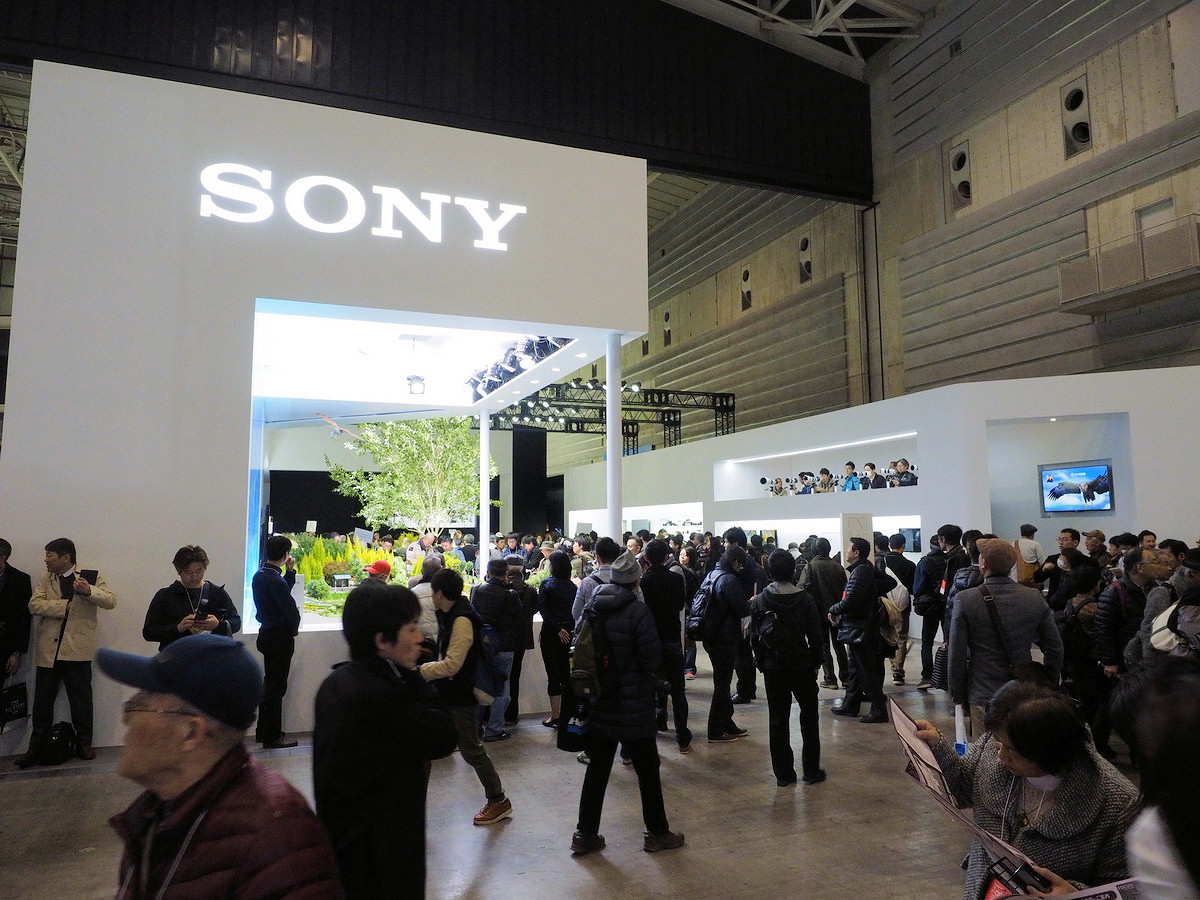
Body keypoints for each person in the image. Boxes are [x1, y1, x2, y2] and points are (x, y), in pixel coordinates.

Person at [98, 634, 342, 898]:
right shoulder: (156, 814)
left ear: (190, 733)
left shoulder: (277, 840)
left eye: (138, 705)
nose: (126, 720)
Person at [915, 680, 1139, 899]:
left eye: (1011, 750)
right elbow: (963, 787)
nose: (1001, 755)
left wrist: (1075, 895)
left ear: (1047, 751)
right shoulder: (999, 741)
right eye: (997, 742)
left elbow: (1125, 888)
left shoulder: (1117, 803)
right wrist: (936, 749)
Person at [314, 580, 458, 899]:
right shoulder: (383, 697)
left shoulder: (337, 683)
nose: (420, 638)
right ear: (381, 640)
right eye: (411, 629)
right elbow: (444, 735)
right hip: (383, 862)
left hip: (347, 853)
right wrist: (415, 675)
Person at [571, 552, 684, 856]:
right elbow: (651, 658)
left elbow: (578, 644)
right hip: (634, 704)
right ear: (636, 581)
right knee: (648, 771)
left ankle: (585, 834)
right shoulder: (638, 612)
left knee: (597, 769)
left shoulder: (593, 608)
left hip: (600, 701)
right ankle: (657, 832)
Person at [419, 568, 513, 826]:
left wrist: (421, 671)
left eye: (433, 591)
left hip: (460, 697)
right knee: (427, 746)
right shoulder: (451, 614)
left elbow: (452, 665)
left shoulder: (461, 620)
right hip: (447, 693)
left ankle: (498, 799)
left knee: (471, 750)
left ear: (439, 593)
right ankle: (415, 806)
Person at [948, 539, 1063, 735]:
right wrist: (1049, 680)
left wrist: (957, 694)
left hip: (983, 691)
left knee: (986, 751)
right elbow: (1055, 646)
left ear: (983, 564)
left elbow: (956, 653)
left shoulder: (966, 599)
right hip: (1024, 693)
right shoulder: (1033, 597)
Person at [18, 537, 117, 767]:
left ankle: (84, 744)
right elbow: (34, 605)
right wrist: (64, 606)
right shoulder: (47, 578)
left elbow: (110, 601)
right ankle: (35, 748)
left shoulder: (90, 576)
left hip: (77, 650)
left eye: (49, 555)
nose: (45, 560)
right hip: (48, 650)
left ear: (65, 557)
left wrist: (88, 590)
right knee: (42, 703)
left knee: (81, 701)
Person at [749, 550, 825, 786]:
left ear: (769, 572)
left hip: (774, 667)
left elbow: (754, 637)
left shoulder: (760, 600)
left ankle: (783, 774)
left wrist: (761, 662)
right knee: (809, 718)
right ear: (793, 571)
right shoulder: (805, 599)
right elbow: (816, 636)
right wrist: (815, 663)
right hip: (802, 666)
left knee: (777, 720)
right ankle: (811, 771)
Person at [828, 537, 889, 724]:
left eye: (849, 548)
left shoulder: (860, 572)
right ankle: (850, 705)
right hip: (861, 628)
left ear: (856, 553)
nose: (846, 551)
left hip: (861, 629)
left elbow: (851, 600)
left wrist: (833, 609)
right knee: (855, 669)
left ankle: (879, 710)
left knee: (866, 672)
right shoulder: (863, 569)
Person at [640, 539, 691, 753]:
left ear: (646, 557)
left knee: (651, 688)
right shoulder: (676, 579)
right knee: (678, 691)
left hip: (651, 640)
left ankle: (654, 728)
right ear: (666, 557)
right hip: (672, 638)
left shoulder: (643, 581)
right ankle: (682, 737)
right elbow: (680, 605)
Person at [251, 534, 301, 749]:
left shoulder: (261, 575)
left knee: (270, 684)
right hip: (279, 637)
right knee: (276, 687)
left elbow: (279, 595)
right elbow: (289, 610)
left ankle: (264, 731)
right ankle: (272, 736)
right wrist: (293, 629)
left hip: (267, 634)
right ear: (285, 554)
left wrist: (289, 573)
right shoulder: (274, 579)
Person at [142, 545, 241, 650]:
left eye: (199, 571)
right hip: (176, 654)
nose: (194, 576)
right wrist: (178, 628)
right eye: (188, 572)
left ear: (205, 568)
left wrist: (218, 625)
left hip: (212, 654)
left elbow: (236, 622)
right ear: (179, 571)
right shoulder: (165, 595)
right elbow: (148, 632)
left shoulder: (217, 593)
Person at [701, 545, 752, 742]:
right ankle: (715, 729)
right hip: (724, 637)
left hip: (711, 635)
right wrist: (753, 601)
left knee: (722, 682)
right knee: (722, 684)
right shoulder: (729, 580)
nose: (741, 569)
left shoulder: (712, 574)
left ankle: (726, 723)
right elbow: (741, 609)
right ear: (734, 562)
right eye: (740, 565)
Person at [469, 558, 519, 741]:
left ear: (488, 572)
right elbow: (517, 616)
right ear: (506, 574)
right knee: (501, 690)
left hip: (483, 645)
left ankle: (474, 729)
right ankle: (494, 729)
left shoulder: (477, 590)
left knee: (480, 685)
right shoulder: (510, 595)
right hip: (504, 646)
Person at [798, 537, 849, 689]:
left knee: (824, 647)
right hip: (837, 612)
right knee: (840, 646)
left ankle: (830, 679)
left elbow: (802, 589)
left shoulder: (810, 567)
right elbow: (846, 589)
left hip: (818, 613)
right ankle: (845, 677)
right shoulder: (838, 567)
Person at [537, 550, 576, 728]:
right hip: (569, 632)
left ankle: (555, 715)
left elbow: (544, 610)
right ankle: (568, 713)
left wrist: (557, 628)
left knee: (552, 675)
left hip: (551, 633)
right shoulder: (573, 586)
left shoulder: (546, 584)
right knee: (567, 675)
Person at [504, 558, 538, 726]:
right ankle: (512, 714)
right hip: (522, 638)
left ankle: (498, 715)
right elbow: (535, 609)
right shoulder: (530, 590)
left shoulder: (504, 589)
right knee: (515, 676)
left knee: (502, 676)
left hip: (505, 638)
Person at [879, 533, 916, 685]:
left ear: (890, 545)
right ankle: (898, 671)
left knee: (888, 635)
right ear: (903, 546)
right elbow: (913, 588)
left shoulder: (882, 562)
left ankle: (893, 664)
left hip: (886, 604)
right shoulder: (910, 565)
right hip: (904, 605)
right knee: (902, 637)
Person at [0, 538, 32, 682]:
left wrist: (17, 653)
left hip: (4, 647)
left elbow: (24, 619)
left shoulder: (20, 579)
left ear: (3, 558)